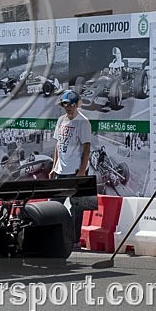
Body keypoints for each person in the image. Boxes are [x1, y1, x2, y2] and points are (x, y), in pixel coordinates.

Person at [50, 89, 93, 250]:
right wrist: (54, 166)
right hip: (60, 171)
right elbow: (58, 144)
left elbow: (87, 148)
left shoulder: (83, 122)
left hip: (76, 171)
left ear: (76, 105)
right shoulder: (61, 120)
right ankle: (53, 238)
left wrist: (81, 171)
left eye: (71, 105)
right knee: (53, 205)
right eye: (65, 105)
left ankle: (75, 241)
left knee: (77, 209)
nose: (68, 107)